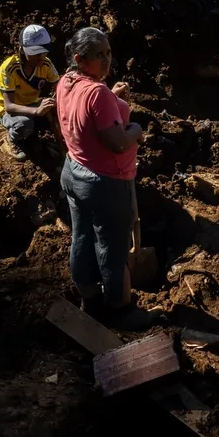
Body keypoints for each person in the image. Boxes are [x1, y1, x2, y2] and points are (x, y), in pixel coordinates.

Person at [56, 27, 159, 330]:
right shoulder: (98, 93)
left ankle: (90, 298)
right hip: (106, 182)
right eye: (98, 55)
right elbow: (117, 142)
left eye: (108, 52)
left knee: (83, 237)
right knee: (112, 249)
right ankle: (122, 310)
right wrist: (137, 129)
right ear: (79, 58)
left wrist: (113, 101)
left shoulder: (66, 82)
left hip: (74, 171)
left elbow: (86, 116)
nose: (106, 60)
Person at [0, 24, 61, 162]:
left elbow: (59, 86)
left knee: (59, 114)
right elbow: (9, 106)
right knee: (24, 125)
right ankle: (11, 139)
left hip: (32, 104)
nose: (41, 57)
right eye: (36, 54)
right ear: (22, 50)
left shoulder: (46, 65)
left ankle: (33, 137)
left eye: (43, 52)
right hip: (10, 111)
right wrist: (36, 111)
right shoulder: (9, 69)